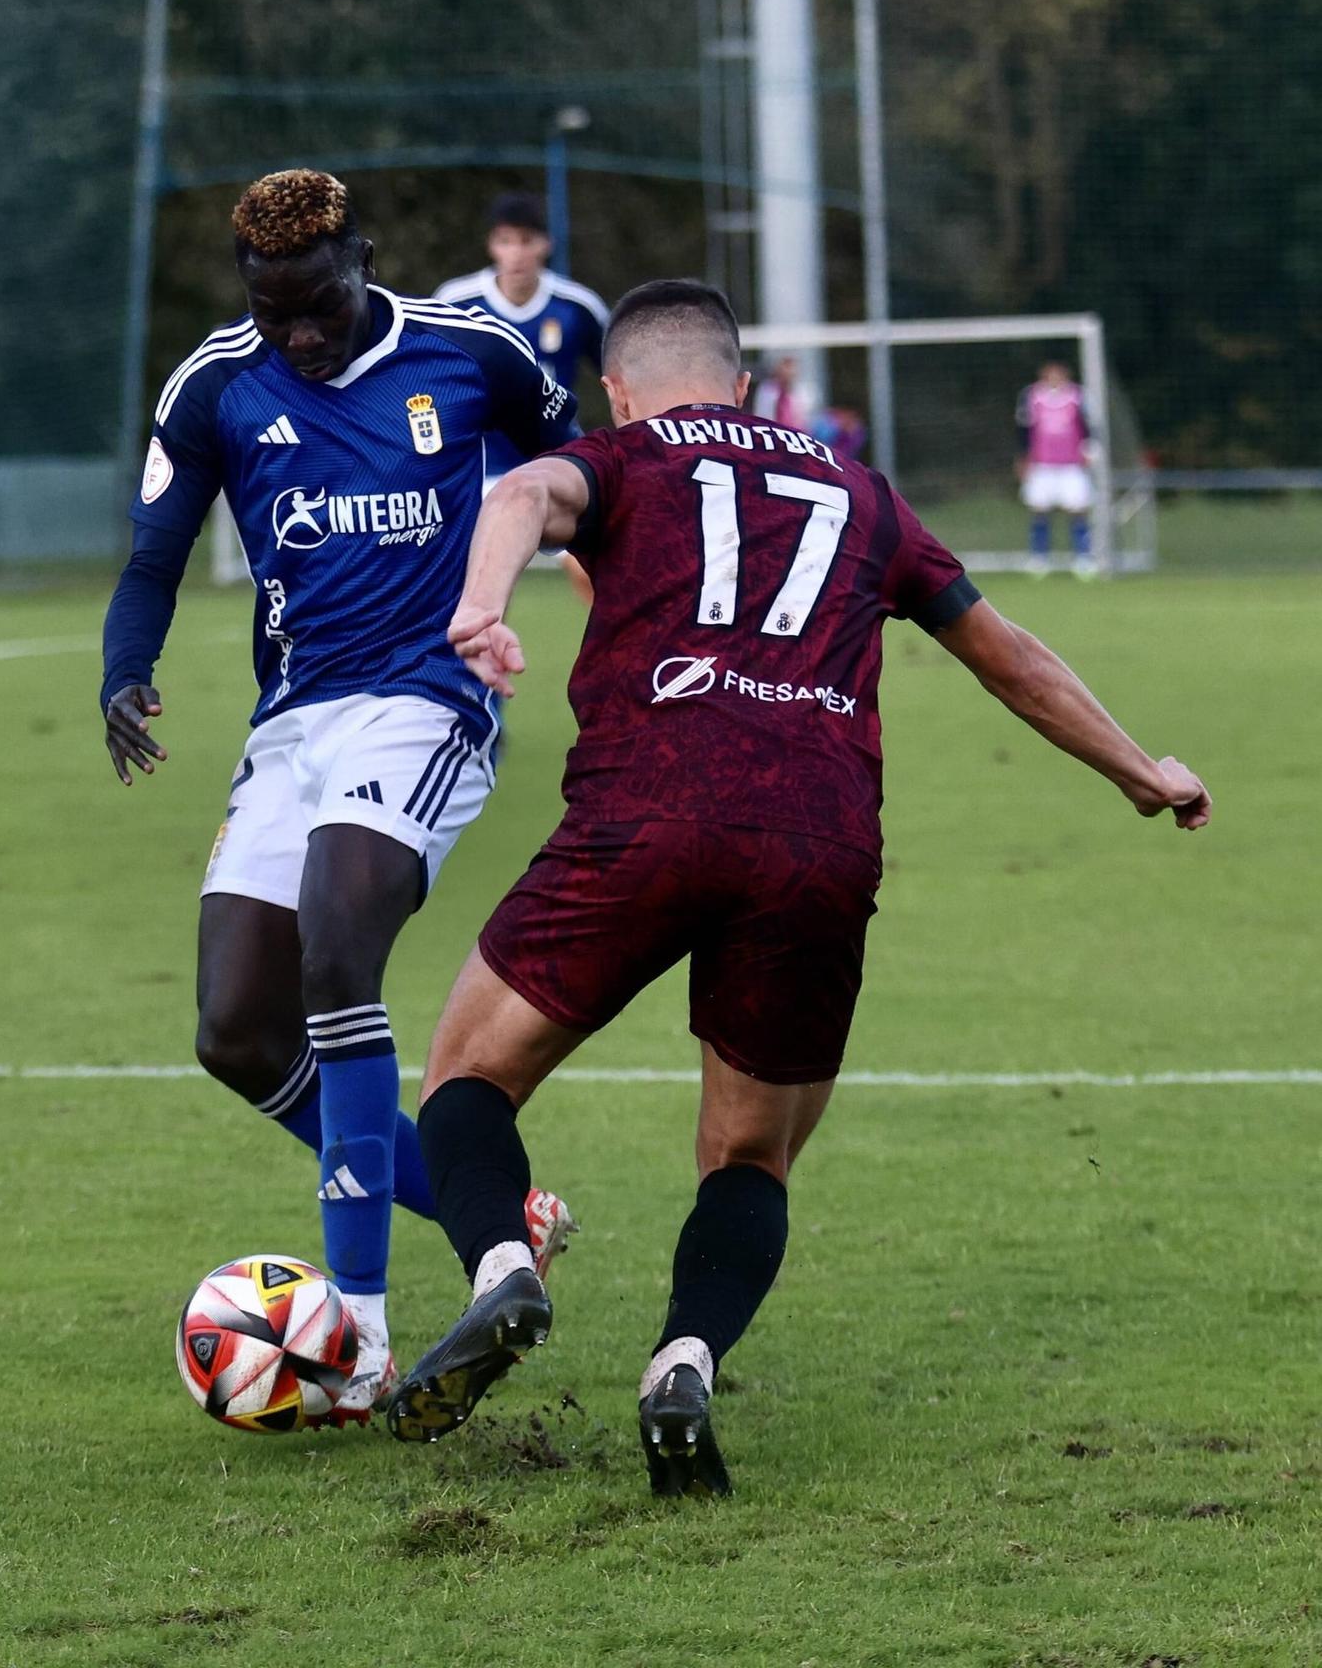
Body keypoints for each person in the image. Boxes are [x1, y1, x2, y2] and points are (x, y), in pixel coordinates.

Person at [384, 278, 1211, 1495]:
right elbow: (1008, 654)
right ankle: (685, 1356)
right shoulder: (862, 492)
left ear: (620, 387)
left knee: (466, 1076)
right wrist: (1142, 769)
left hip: (649, 808)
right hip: (818, 834)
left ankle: (507, 1262)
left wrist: (480, 606)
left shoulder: (621, 457)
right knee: (750, 1155)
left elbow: (520, 491)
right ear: (745, 379)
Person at [100, 169, 580, 1422]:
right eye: (275, 315)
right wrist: (123, 671)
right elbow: (154, 552)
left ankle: (359, 1335)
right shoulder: (216, 380)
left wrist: (579, 600)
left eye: (317, 307)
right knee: (236, 1025)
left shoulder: (475, 353)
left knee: (333, 959)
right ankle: (500, 1218)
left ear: (359, 259)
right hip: (294, 718)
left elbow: (581, 477)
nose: (299, 336)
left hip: (430, 700)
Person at [434, 191, 608, 479]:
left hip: (557, 466)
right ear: (491, 245)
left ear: (546, 244)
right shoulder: (455, 302)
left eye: (526, 240)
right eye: (505, 241)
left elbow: (618, 380)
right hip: (477, 471)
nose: (516, 253)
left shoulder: (578, 306)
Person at [1016, 360, 1095, 573]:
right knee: (1039, 509)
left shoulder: (1078, 396)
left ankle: (1083, 558)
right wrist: (1023, 458)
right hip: (1042, 464)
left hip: (1071, 464)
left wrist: (1089, 450)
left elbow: (1088, 427)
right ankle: (1039, 558)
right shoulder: (1031, 396)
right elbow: (1023, 429)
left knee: (1078, 509)